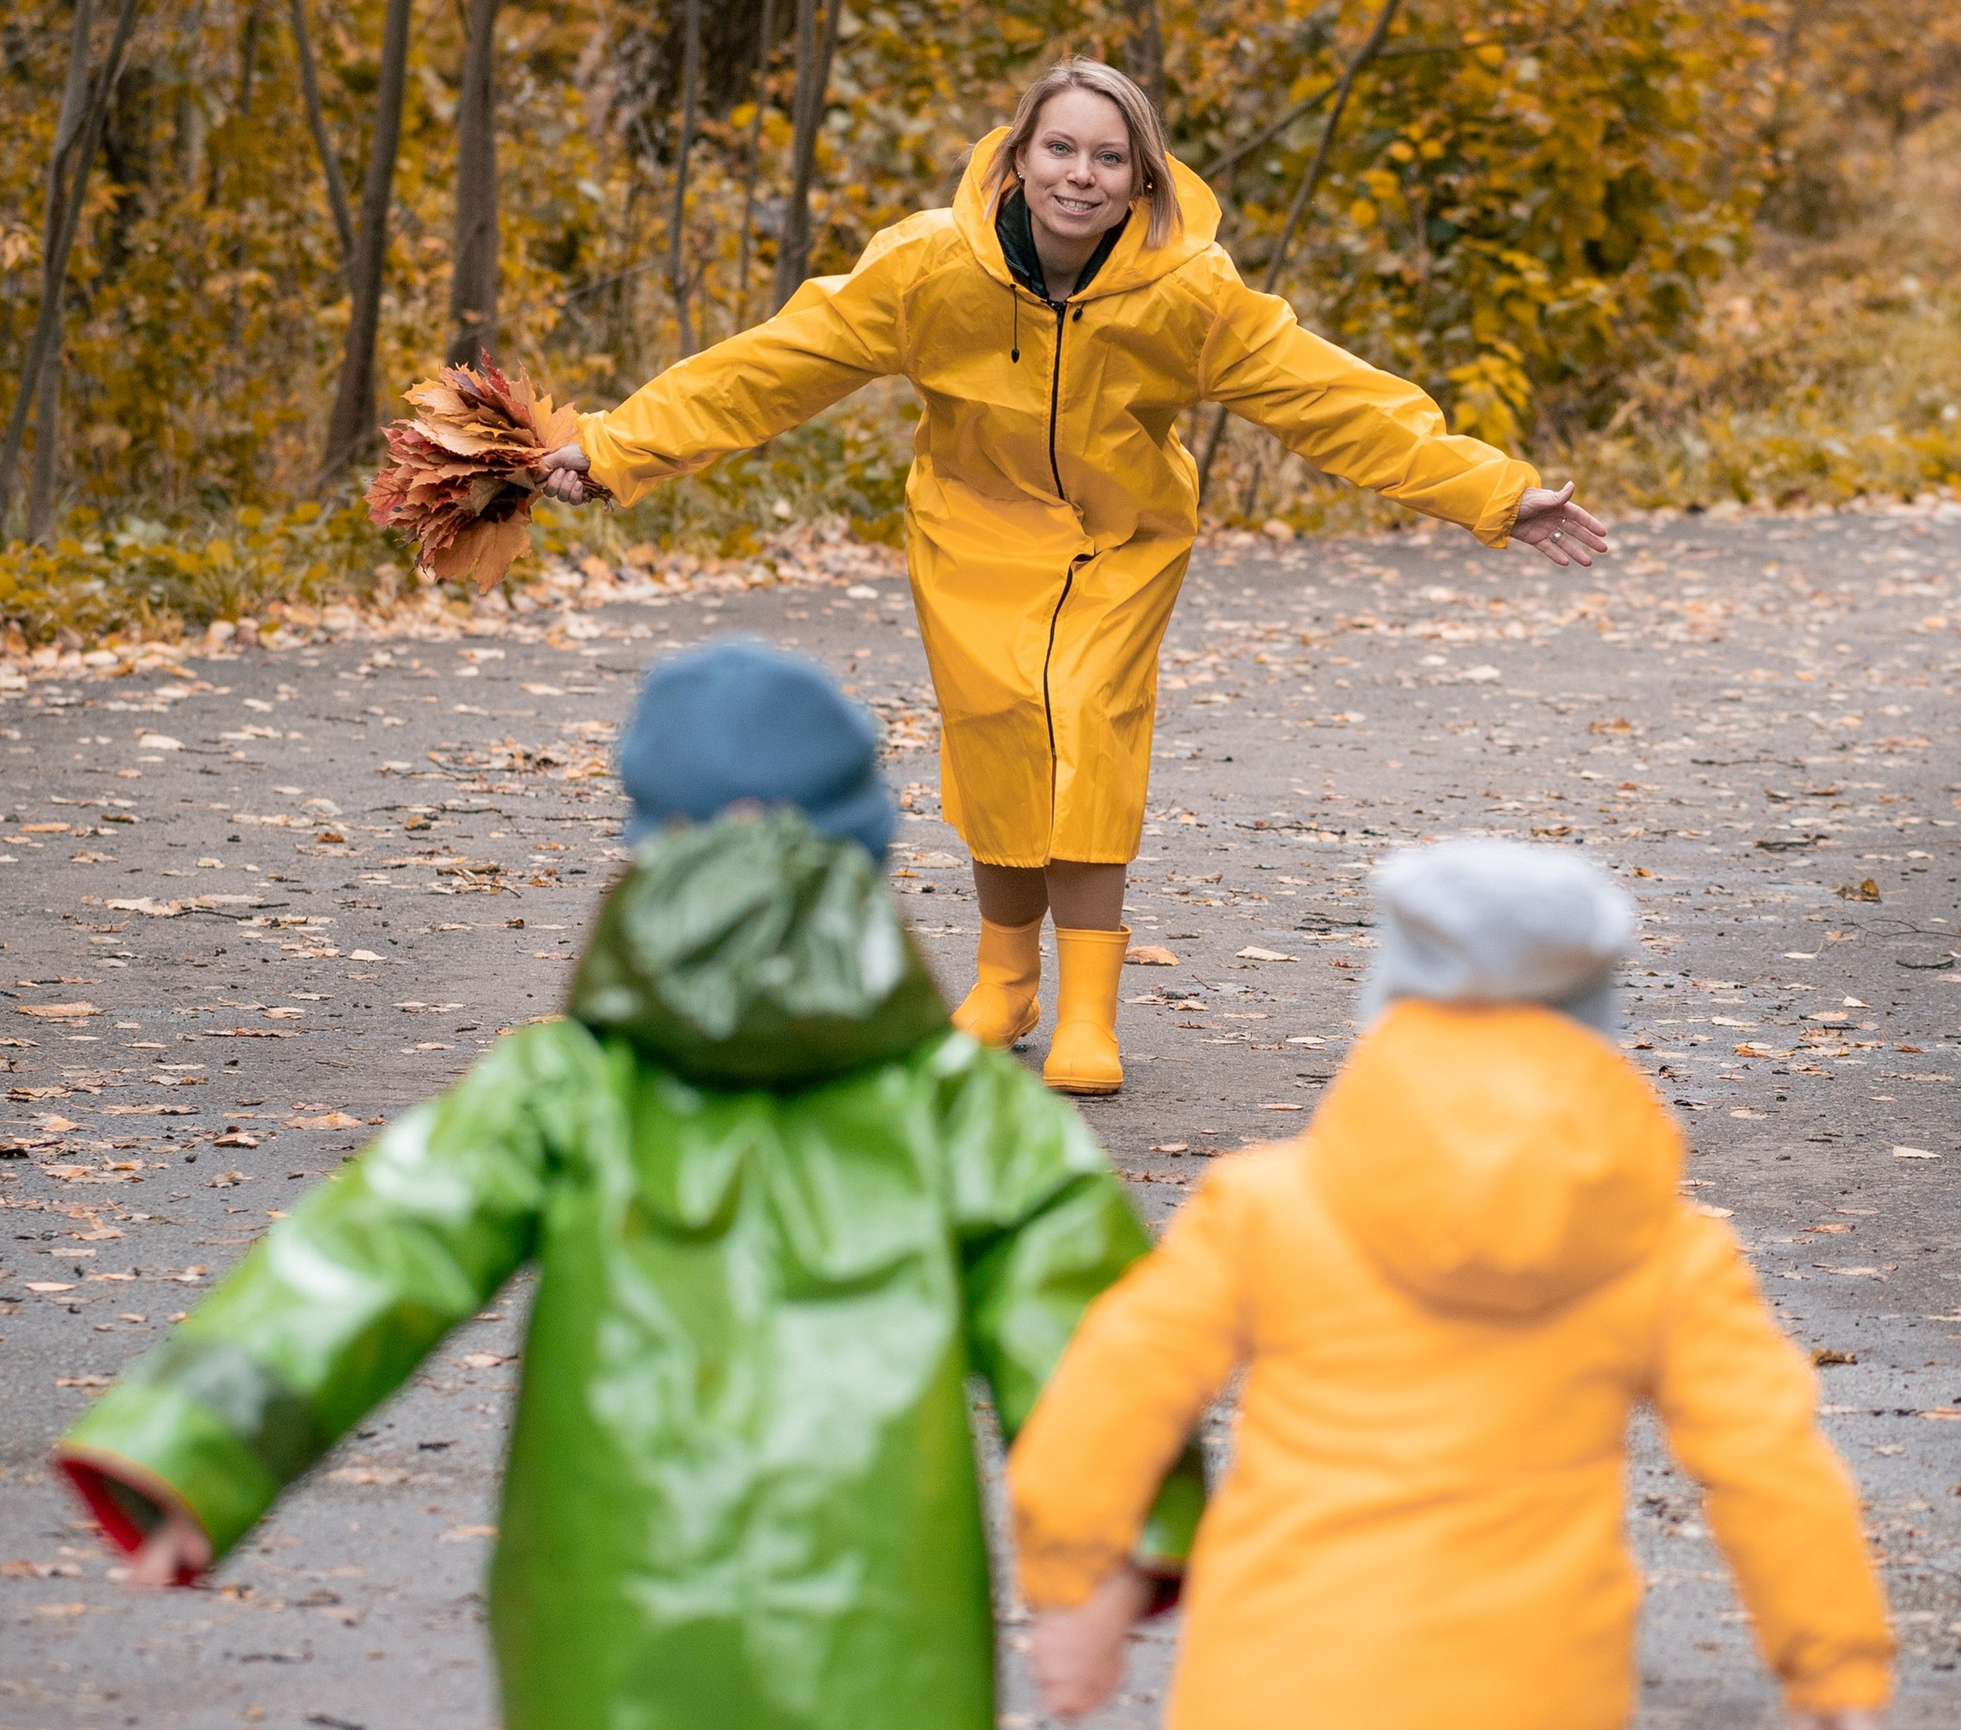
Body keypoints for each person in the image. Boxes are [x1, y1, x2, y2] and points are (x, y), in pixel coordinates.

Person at [49, 640, 1201, 1730]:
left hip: (620, 1614)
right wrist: (1108, 1556)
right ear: (866, 864)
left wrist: (195, 1452)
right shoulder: (961, 1109)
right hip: (866, 1628)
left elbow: (369, 1254)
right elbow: (1092, 1337)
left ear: (646, 854)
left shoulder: (565, 1089)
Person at [1002, 839, 1920, 1730]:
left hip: (1291, 1715)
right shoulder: (1663, 1248)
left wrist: (1079, 1575)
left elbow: (1114, 1387)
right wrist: (1832, 1672)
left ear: (1388, 1003)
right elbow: (1770, 1463)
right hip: (1520, 1724)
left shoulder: (1270, 1205)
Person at [528, 57, 1608, 1098]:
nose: (1078, 175)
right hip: (972, 529)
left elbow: (1332, 398)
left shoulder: (1187, 290)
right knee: (999, 725)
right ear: (1015, 157)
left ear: (1142, 180)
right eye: (1059, 149)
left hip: (1119, 536)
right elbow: (770, 365)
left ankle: (1089, 1006)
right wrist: (618, 447)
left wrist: (1492, 492)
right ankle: (1005, 983)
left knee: (1084, 721)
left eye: (1106, 158)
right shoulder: (927, 269)